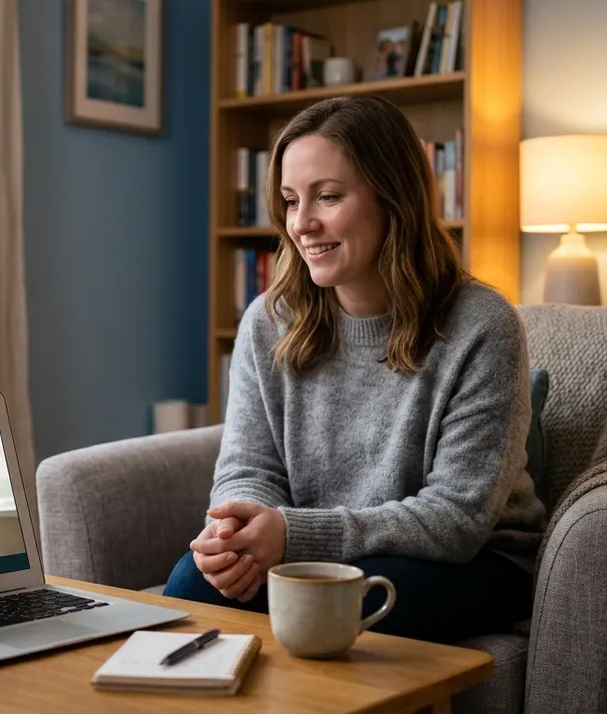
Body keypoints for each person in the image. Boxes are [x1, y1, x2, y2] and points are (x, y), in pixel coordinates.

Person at [161, 95, 548, 645]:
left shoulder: (483, 326)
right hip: (316, 554)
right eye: (292, 201)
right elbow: (248, 466)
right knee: (192, 584)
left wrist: (293, 536)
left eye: (329, 197)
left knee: (333, 608)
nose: (303, 223)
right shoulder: (268, 321)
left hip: (472, 563)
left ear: (394, 199)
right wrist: (236, 534)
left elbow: (457, 519)